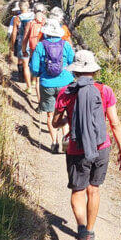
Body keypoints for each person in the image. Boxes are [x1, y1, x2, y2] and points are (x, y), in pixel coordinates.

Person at [52, 49, 121, 240]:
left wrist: (67, 120)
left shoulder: (66, 92)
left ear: (74, 71)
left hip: (77, 149)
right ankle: (91, 231)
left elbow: (56, 122)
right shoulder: (105, 91)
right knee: (93, 190)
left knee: (78, 191)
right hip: (101, 147)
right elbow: (114, 122)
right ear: (93, 70)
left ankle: (81, 229)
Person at [30, 18, 75, 151]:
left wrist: (40, 75)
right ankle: (65, 140)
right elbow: (73, 62)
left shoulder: (40, 45)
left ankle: (54, 142)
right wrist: (70, 76)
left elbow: (34, 67)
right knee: (66, 112)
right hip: (65, 83)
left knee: (50, 115)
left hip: (47, 84)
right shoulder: (66, 44)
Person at [22, 5, 47, 105]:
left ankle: (40, 103)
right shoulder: (47, 23)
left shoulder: (30, 23)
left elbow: (25, 39)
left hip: (34, 53)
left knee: (37, 80)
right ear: (44, 12)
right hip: (47, 53)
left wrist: (24, 50)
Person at [9, 0, 34, 90]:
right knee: (32, 61)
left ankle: (28, 85)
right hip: (33, 41)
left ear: (19, 7)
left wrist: (12, 45)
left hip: (22, 41)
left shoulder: (17, 18)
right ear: (27, 6)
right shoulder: (33, 16)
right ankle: (33, 80)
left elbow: (14, 33)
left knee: (25, 64)